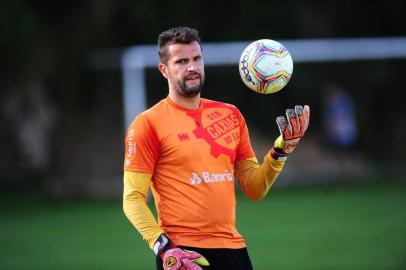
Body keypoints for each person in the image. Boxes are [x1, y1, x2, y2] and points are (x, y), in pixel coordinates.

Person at [123, 26, 310, 270]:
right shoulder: (148, 123)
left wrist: (280, 151)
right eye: (181, 61)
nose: (192, 67)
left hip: (234, 250)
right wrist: (164, 248)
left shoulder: (230, 115)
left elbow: (254, 188)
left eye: (196, 58)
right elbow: (132, 199)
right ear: (164, 70)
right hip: (183, 255)